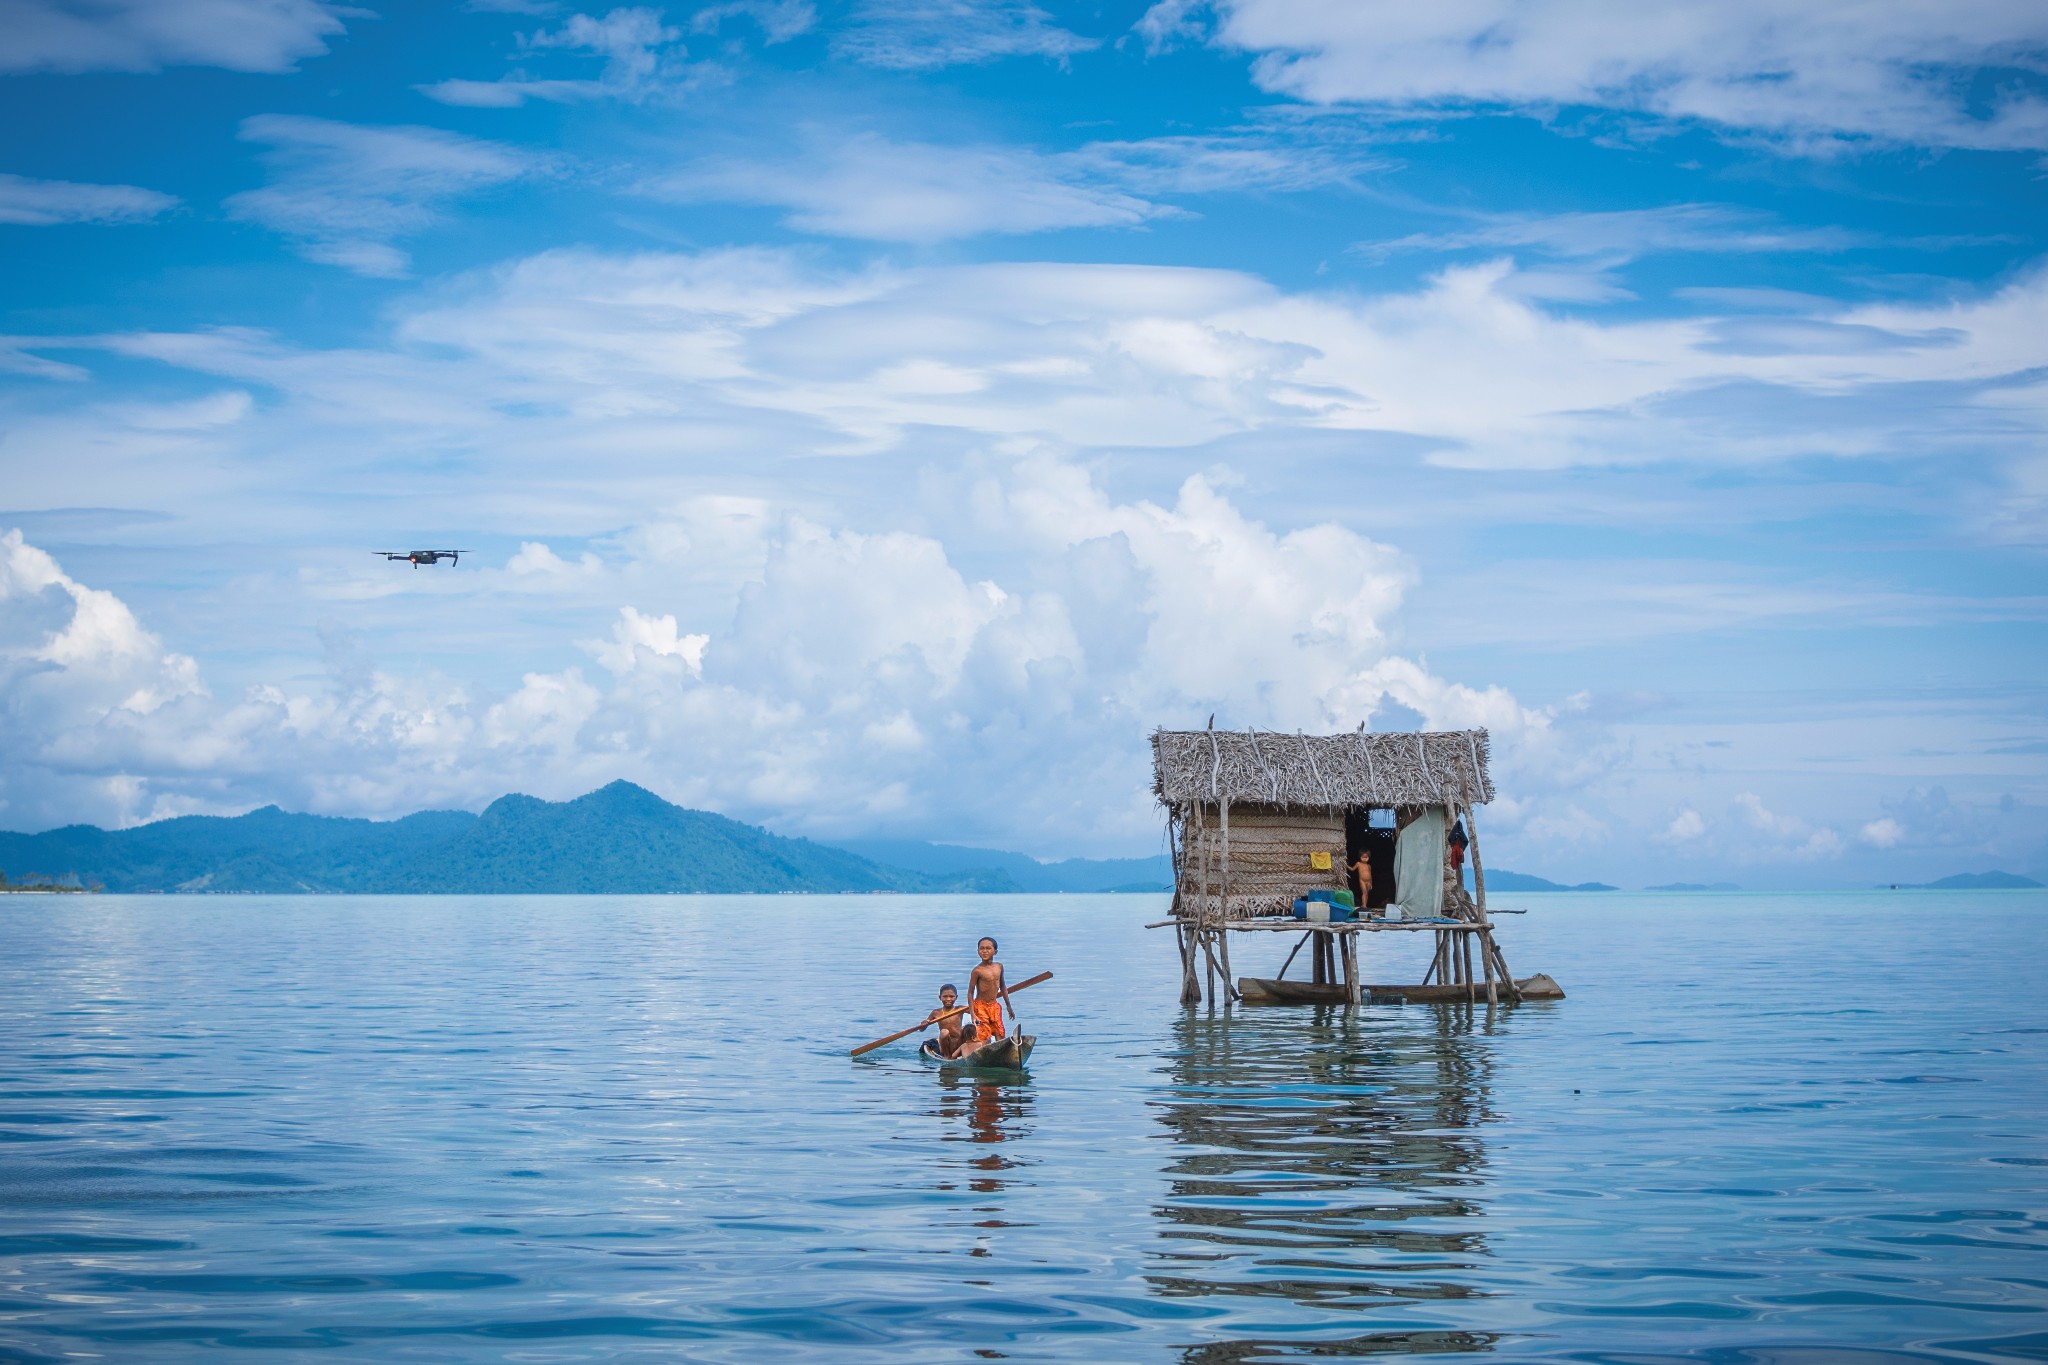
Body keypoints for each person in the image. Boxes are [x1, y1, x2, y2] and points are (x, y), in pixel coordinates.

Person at [967, 936, 1013, 1042]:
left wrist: (1008, 1006)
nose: (984, 951)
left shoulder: (999, 967)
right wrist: (973, 1014)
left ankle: (1001, 1053)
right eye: (982, 948)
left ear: (995, 952)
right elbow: (970, 993)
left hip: (994, 1006)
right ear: (978, 951)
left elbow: (1002, 986)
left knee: (999, 1032)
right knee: (983, 1035)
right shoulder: (977, 971)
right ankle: (984, 1053)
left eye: (988, 948)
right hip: (980, 1006)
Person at [923, 984, 968, 1058]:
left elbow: (976, 1011)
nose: (948, 999)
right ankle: (947, 1056)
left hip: (959, 1043)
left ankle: (963, 1053)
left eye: (951, 996)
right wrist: (924, 1023)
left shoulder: (960, 1009)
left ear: (956, 997)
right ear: (940, 997)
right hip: (946, 1046)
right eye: (945, 996)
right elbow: (922, 1029)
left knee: (966, 1028)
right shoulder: (936, 1012)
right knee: (944, 1032)